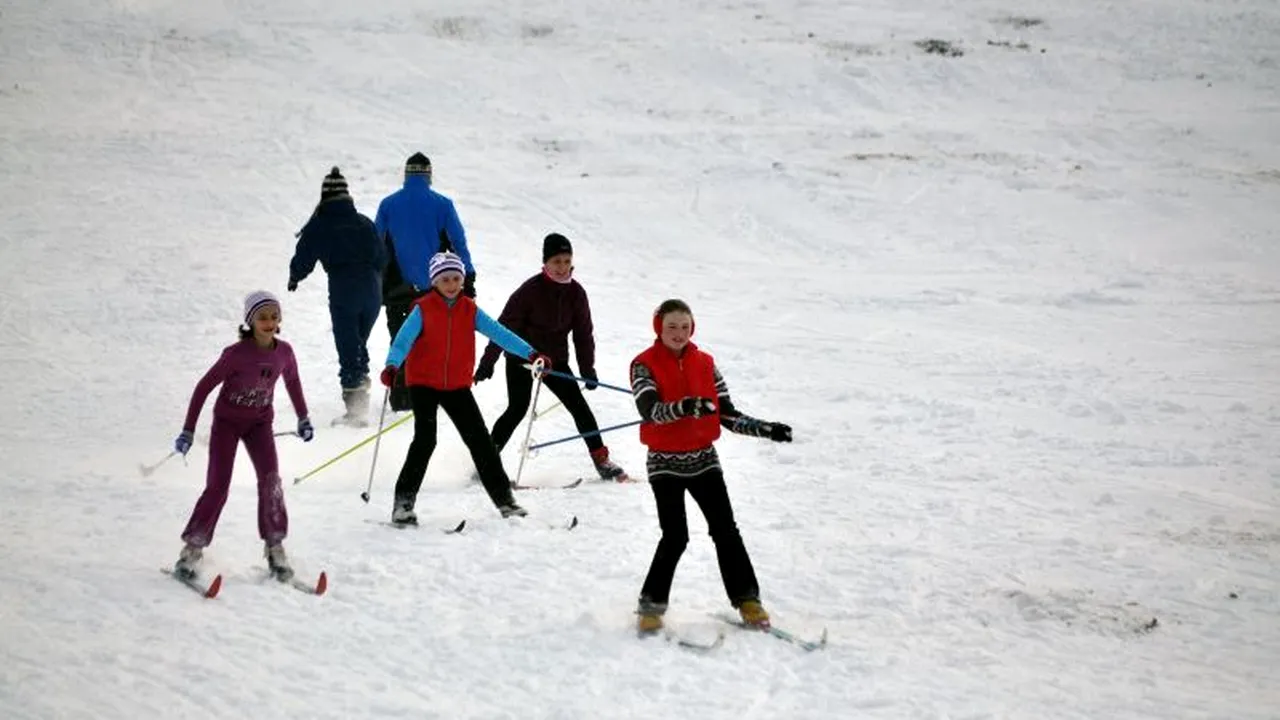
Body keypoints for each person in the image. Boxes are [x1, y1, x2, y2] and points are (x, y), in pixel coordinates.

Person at [629, 299, 793, 635]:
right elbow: (650, 410)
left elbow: (728, 415)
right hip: (664, 463)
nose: (678, 333)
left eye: (685, 327)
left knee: (725, 530)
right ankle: (650, 606)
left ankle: (748, 600)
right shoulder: (643, 365)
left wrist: (766, 429)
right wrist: (687, 406)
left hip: (704, 459)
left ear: (693, 328)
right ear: (658, 327)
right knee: (675, 536)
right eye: (671, 326)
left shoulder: (705, 363)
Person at [380, 251, 551, 525]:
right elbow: (402, 341)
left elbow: (499, 333)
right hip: (423, 383)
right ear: (434, 281)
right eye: (445, 279)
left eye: (456, 278)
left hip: (457, 386)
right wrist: (392, 366)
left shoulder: (469, 309)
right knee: (425, 440)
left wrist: (531, 354)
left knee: (481, 442)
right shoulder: (422, 309)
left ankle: (505, 501)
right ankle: (403, 504)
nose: (451, 284)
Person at [172, 291, 315, 582]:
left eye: (274, 316)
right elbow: (203, 388)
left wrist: (303, 417)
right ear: (250, 321)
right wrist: (188, 429)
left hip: (259, 424)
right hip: (227, 424)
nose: (269, 322)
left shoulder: (284, 352)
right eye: (262, 317)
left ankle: (275, 547)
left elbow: (293, 381)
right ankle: (192, 548)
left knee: (271, 481)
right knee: (218, 486)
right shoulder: (236, 355)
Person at [475, 232, 628, 481]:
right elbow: (503, 328)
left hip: (555, 360)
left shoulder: (577, 294)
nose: (562, 267)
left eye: (566, 261)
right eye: (556, 261)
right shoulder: (529, 291)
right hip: (521, 359)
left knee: (579, 407)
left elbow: (583, 335)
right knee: (517, 408)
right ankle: (486, 462)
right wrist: (487, 363)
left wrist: (587, 369)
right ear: (545, 263)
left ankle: (602, 460)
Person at [376, 152, 476, 412]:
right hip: (436, 287)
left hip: (398, 286)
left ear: (407, 175)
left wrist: (377, 279)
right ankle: (427, 393)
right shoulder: (442, 204)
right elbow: (458, 241)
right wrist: (470, 275)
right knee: (431, 341)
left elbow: (377, 244)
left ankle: (400, 396)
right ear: (428, 175)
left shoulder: (388, 205)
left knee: (400, 338)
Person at [288, 167, 387, 426]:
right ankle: (360, 396)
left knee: (348, 345)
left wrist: (295, 276)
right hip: (373, 291)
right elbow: (381, 257)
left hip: (345, 290)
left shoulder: (320, 225)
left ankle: (356, 412)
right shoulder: (364, 222)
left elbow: (304, 257)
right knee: (358, 342)